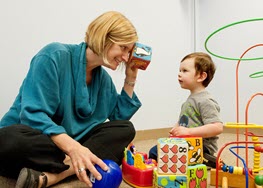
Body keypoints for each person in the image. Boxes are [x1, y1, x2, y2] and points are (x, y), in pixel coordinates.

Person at [0, 11, 142, 188]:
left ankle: (53, 177)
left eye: (129, 52)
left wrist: (131, 78)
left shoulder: (103, 80)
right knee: (8, 140)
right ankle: (76, 164)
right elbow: (33, 115)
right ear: (104, 38)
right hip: (40, 140)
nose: (126, 58)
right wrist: (75, 149)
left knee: (125, 130)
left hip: (66, 148)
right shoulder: (53, 55)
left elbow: (119, 119)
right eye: (123, 48)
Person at [149, 52, 223, 168]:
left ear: (201, 76)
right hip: (186, 143)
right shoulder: (189, 101)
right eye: (179, 70)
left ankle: (205, 160)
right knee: (156, 150)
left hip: (201, 148)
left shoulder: (205, 101)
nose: (179, 74)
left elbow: (217, 127)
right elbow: (185, 120)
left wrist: (188, 132)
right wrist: (176, 128)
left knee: (156, 153)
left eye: (184, 71)